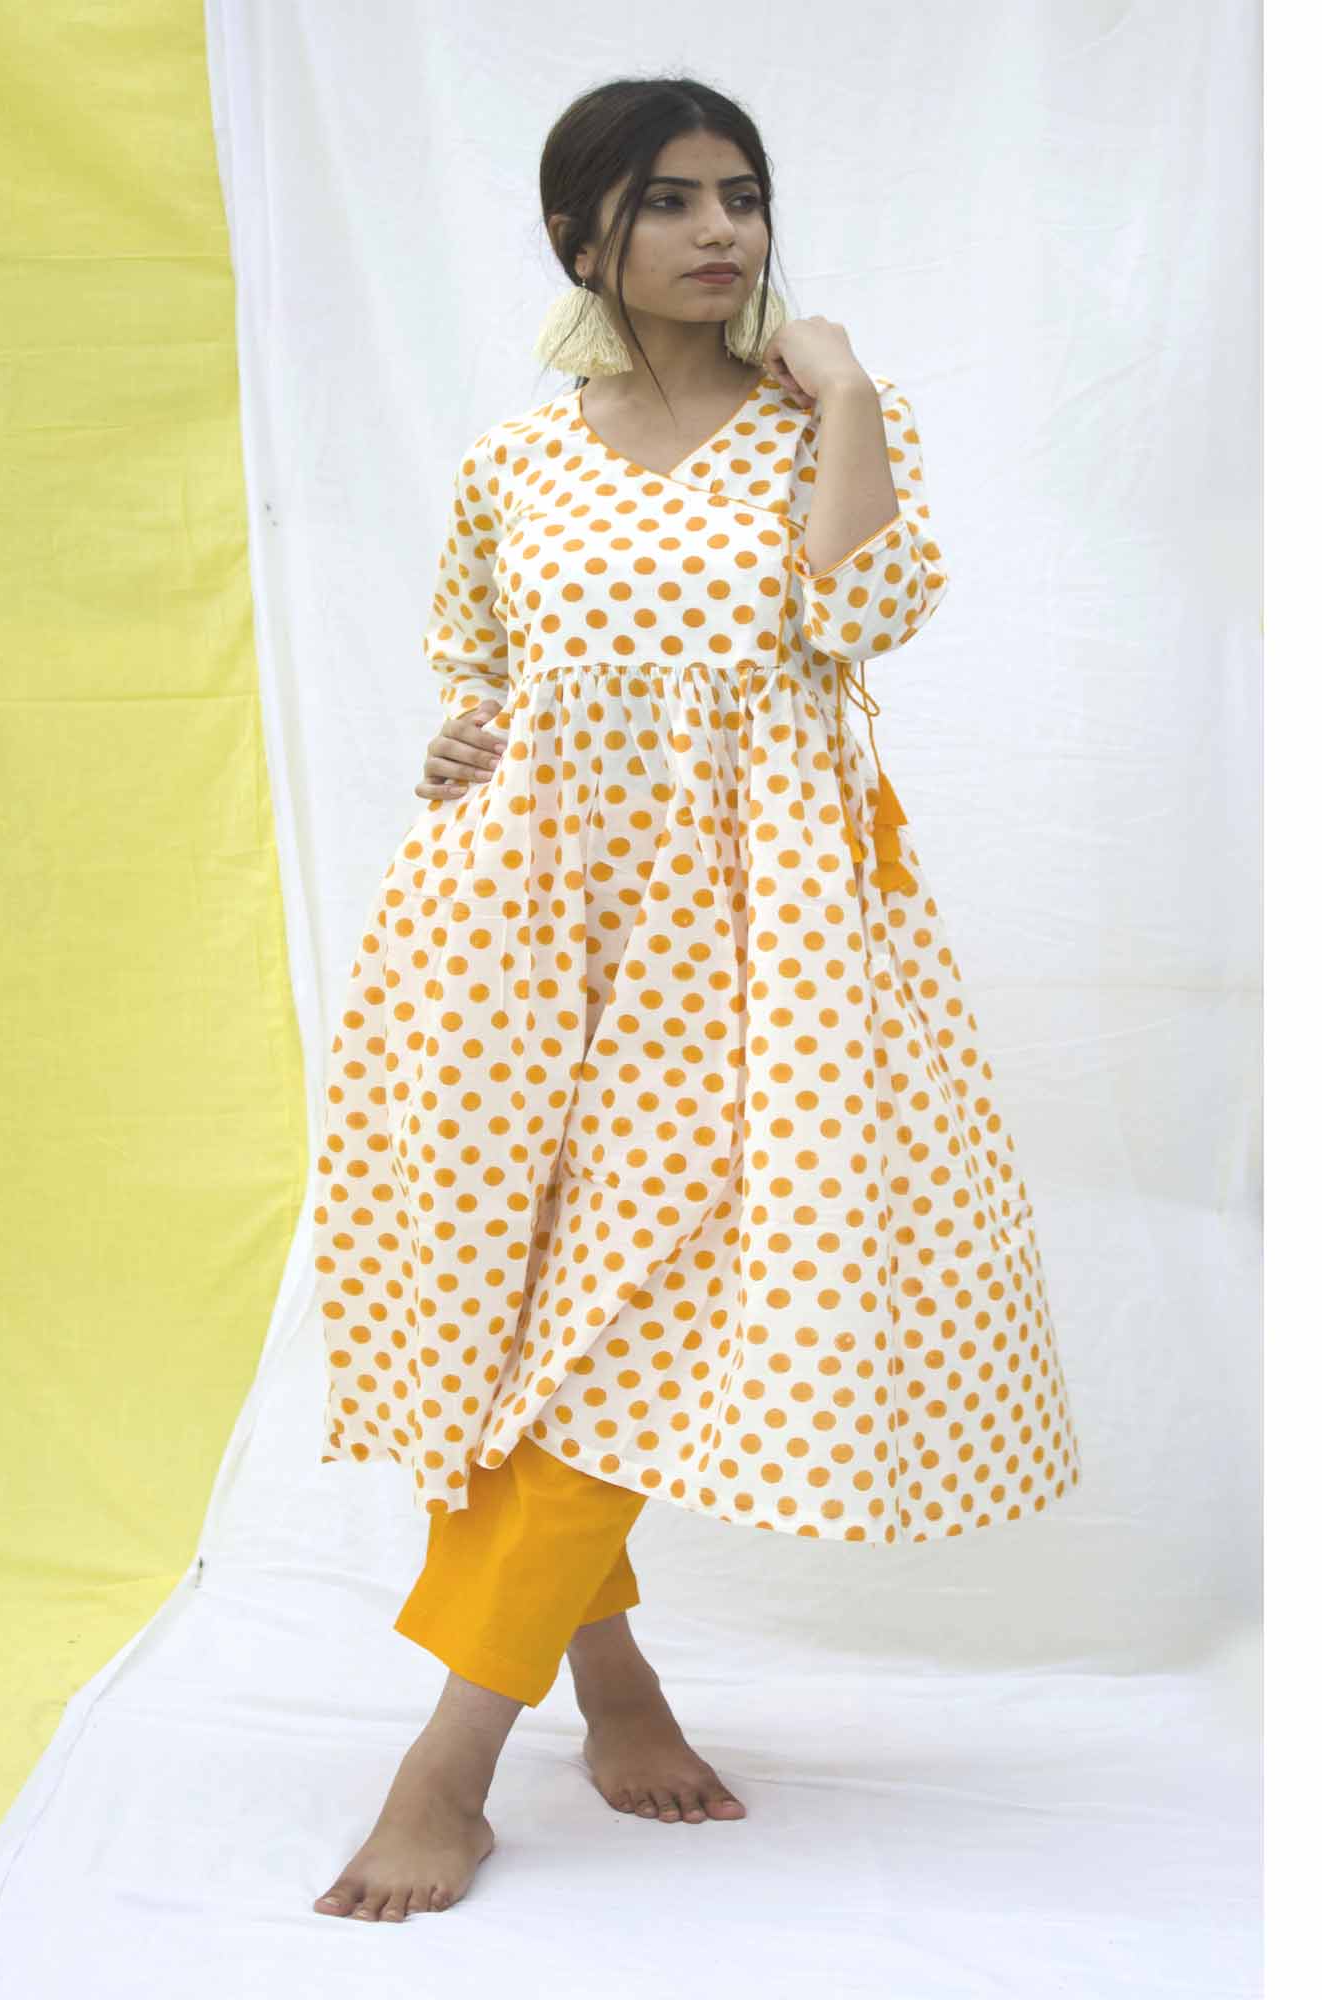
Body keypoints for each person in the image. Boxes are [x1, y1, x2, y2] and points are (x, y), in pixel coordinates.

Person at [309, 75, 1082, 1923]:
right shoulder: (514, 459)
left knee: (624, 1317)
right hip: (511, 936)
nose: (721, 227)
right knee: (514, 1311)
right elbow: (481, 664)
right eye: (669, 198)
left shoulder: (822, 424)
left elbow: (866, 615)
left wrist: (847, 390)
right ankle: (614, 1683)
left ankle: (447, 1766)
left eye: (741, 193)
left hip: (760, 949)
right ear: (581, 233)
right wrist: (463, 744)